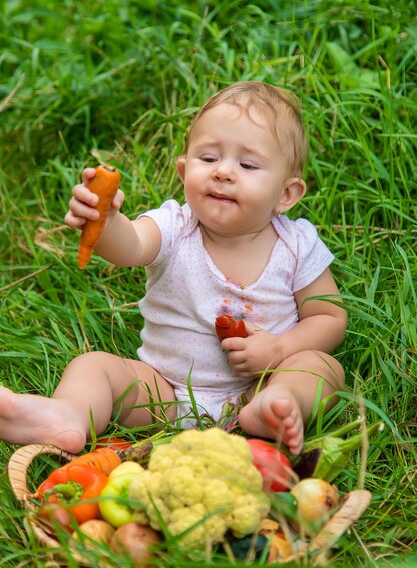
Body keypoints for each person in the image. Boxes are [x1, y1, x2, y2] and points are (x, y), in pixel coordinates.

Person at [0, 81, 346, 456]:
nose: (223, 172)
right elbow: (130, 245)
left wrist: (280, 349)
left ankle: (275, 408)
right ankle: (67, 416)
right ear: (183, 172)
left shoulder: (297, 246)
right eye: (209, 158)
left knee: (321, 367)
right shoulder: (175, 226)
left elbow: (328, 317)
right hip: (164, 392)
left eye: (247, 165)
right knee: (93, 367)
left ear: (286, 194)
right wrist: (106, 220)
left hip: (258, 386)